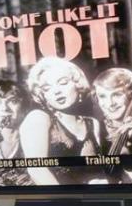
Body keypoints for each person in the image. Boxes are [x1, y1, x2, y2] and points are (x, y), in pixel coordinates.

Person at [19, 57, 101, 186]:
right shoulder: (38, 118)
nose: (56, 91)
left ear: (77, 84)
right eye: (47, 88)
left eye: (63, 83)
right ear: (41, 95)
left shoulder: (92, 123)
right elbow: (36, 170)